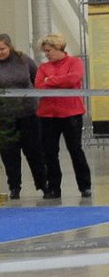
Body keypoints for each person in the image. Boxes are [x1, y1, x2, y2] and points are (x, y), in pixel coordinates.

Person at [0, 34, 47, 199]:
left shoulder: (24, 60)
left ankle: (42, 184)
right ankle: (14, 187)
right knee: (9, 153)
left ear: (9, 47)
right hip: (2, 116)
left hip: (28, 113)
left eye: (2, 49)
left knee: (34, 151)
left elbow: (36, 77)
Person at [34, 33, 92, 199]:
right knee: (50, 153)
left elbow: (74, 78)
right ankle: (53, 188)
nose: (46, 54)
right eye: (45, 51)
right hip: (47, 115)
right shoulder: (42, 68)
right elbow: (39, 86)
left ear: (59, 48)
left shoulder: (75, 62)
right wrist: (58, 80)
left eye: (49, 50)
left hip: (71, 114)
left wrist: (50, 80)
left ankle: (85, 186)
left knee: (75, 150)